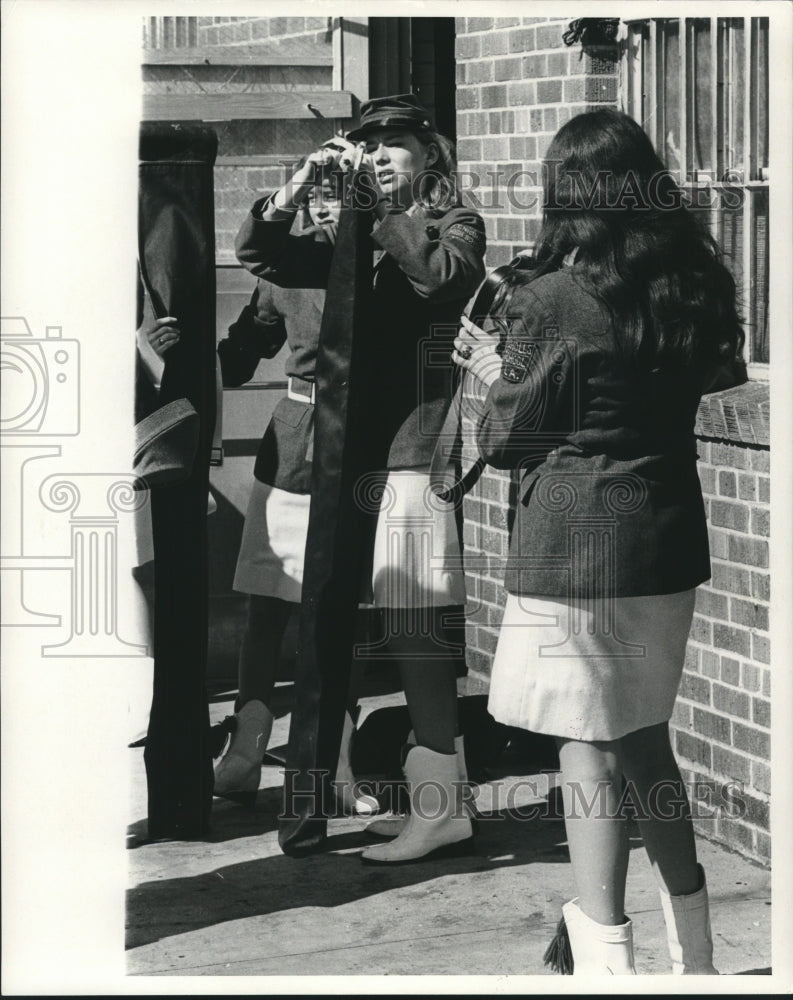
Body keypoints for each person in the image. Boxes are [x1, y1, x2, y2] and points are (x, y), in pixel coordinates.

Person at [453, 108, 741, 973]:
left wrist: (487, 370)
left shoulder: (546, 299)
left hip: (572, 543)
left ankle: (605, 958)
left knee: (584, 744)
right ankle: (694, 954)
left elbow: (507, 440)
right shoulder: (695, 286)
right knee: (644, 736)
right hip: (662, 539)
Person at [236, 94, 487, 864]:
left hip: (412, 443)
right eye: (367, 144)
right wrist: (293, 189)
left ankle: (443, 803)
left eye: (396, 144)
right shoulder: (346, 226)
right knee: (318, 611)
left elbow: (438, 278)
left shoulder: (453, 223)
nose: (379, 154)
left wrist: (381, 211)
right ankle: (342, 781)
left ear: (429, 155)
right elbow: (264, 258)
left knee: (413, 622)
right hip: (342, 451)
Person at [211, 161, 379, 814]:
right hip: (294, 442)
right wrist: (178, 363)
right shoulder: (288, 268)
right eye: (322, 196)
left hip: (361, 444)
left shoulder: (385, 268)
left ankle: (336, 763)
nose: (331, 208)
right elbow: (244, 346)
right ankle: (248, 749)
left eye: (344, 195)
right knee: (267, 598)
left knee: (341, 608)